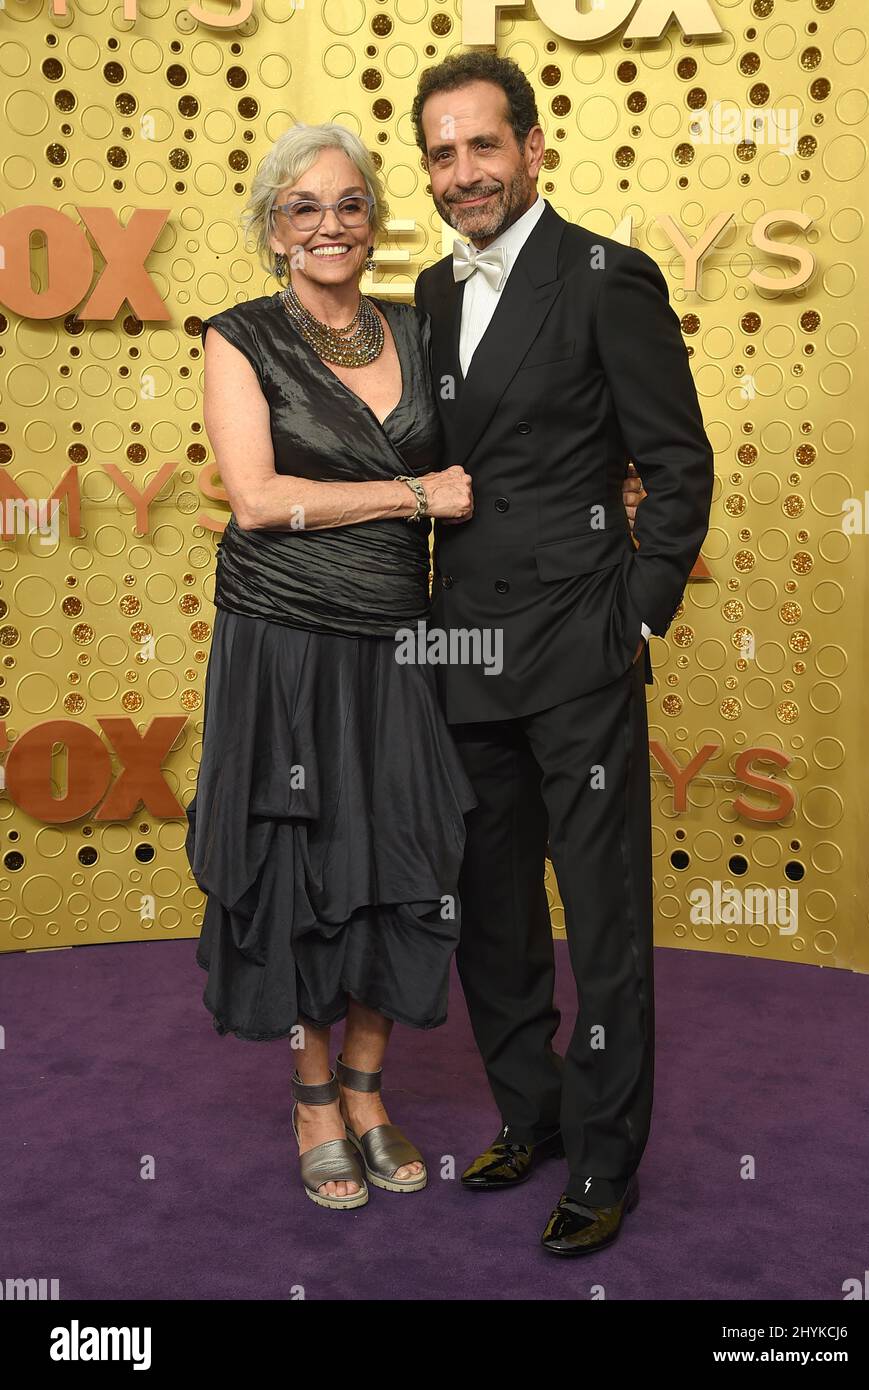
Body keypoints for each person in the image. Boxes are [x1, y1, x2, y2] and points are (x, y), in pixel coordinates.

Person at [411, 52, 715, 1255]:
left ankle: (603, 1158)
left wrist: (636, 611)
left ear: (534, 150)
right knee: (489, 909)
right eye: (442, 152)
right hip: (465, 649)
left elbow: (677, 462)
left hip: (581, 650)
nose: (465, 171)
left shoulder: (604, 276)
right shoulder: (427, 295)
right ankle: (527, 1113)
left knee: (600, 920)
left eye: (485, 145)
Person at [184, 121, 479, 1211]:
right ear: (273, 228)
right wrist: (412, 495)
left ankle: (367, 1087)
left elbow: (495, 448)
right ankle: (312, 1099)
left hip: (400, 642)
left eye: (348, 203)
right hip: (286, 645)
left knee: (403, 858)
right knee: (298, 870)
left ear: (375, 217)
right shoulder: (238, 336)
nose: (328, 224)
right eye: (303, 207)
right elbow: (257, 502)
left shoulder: (418, 324)